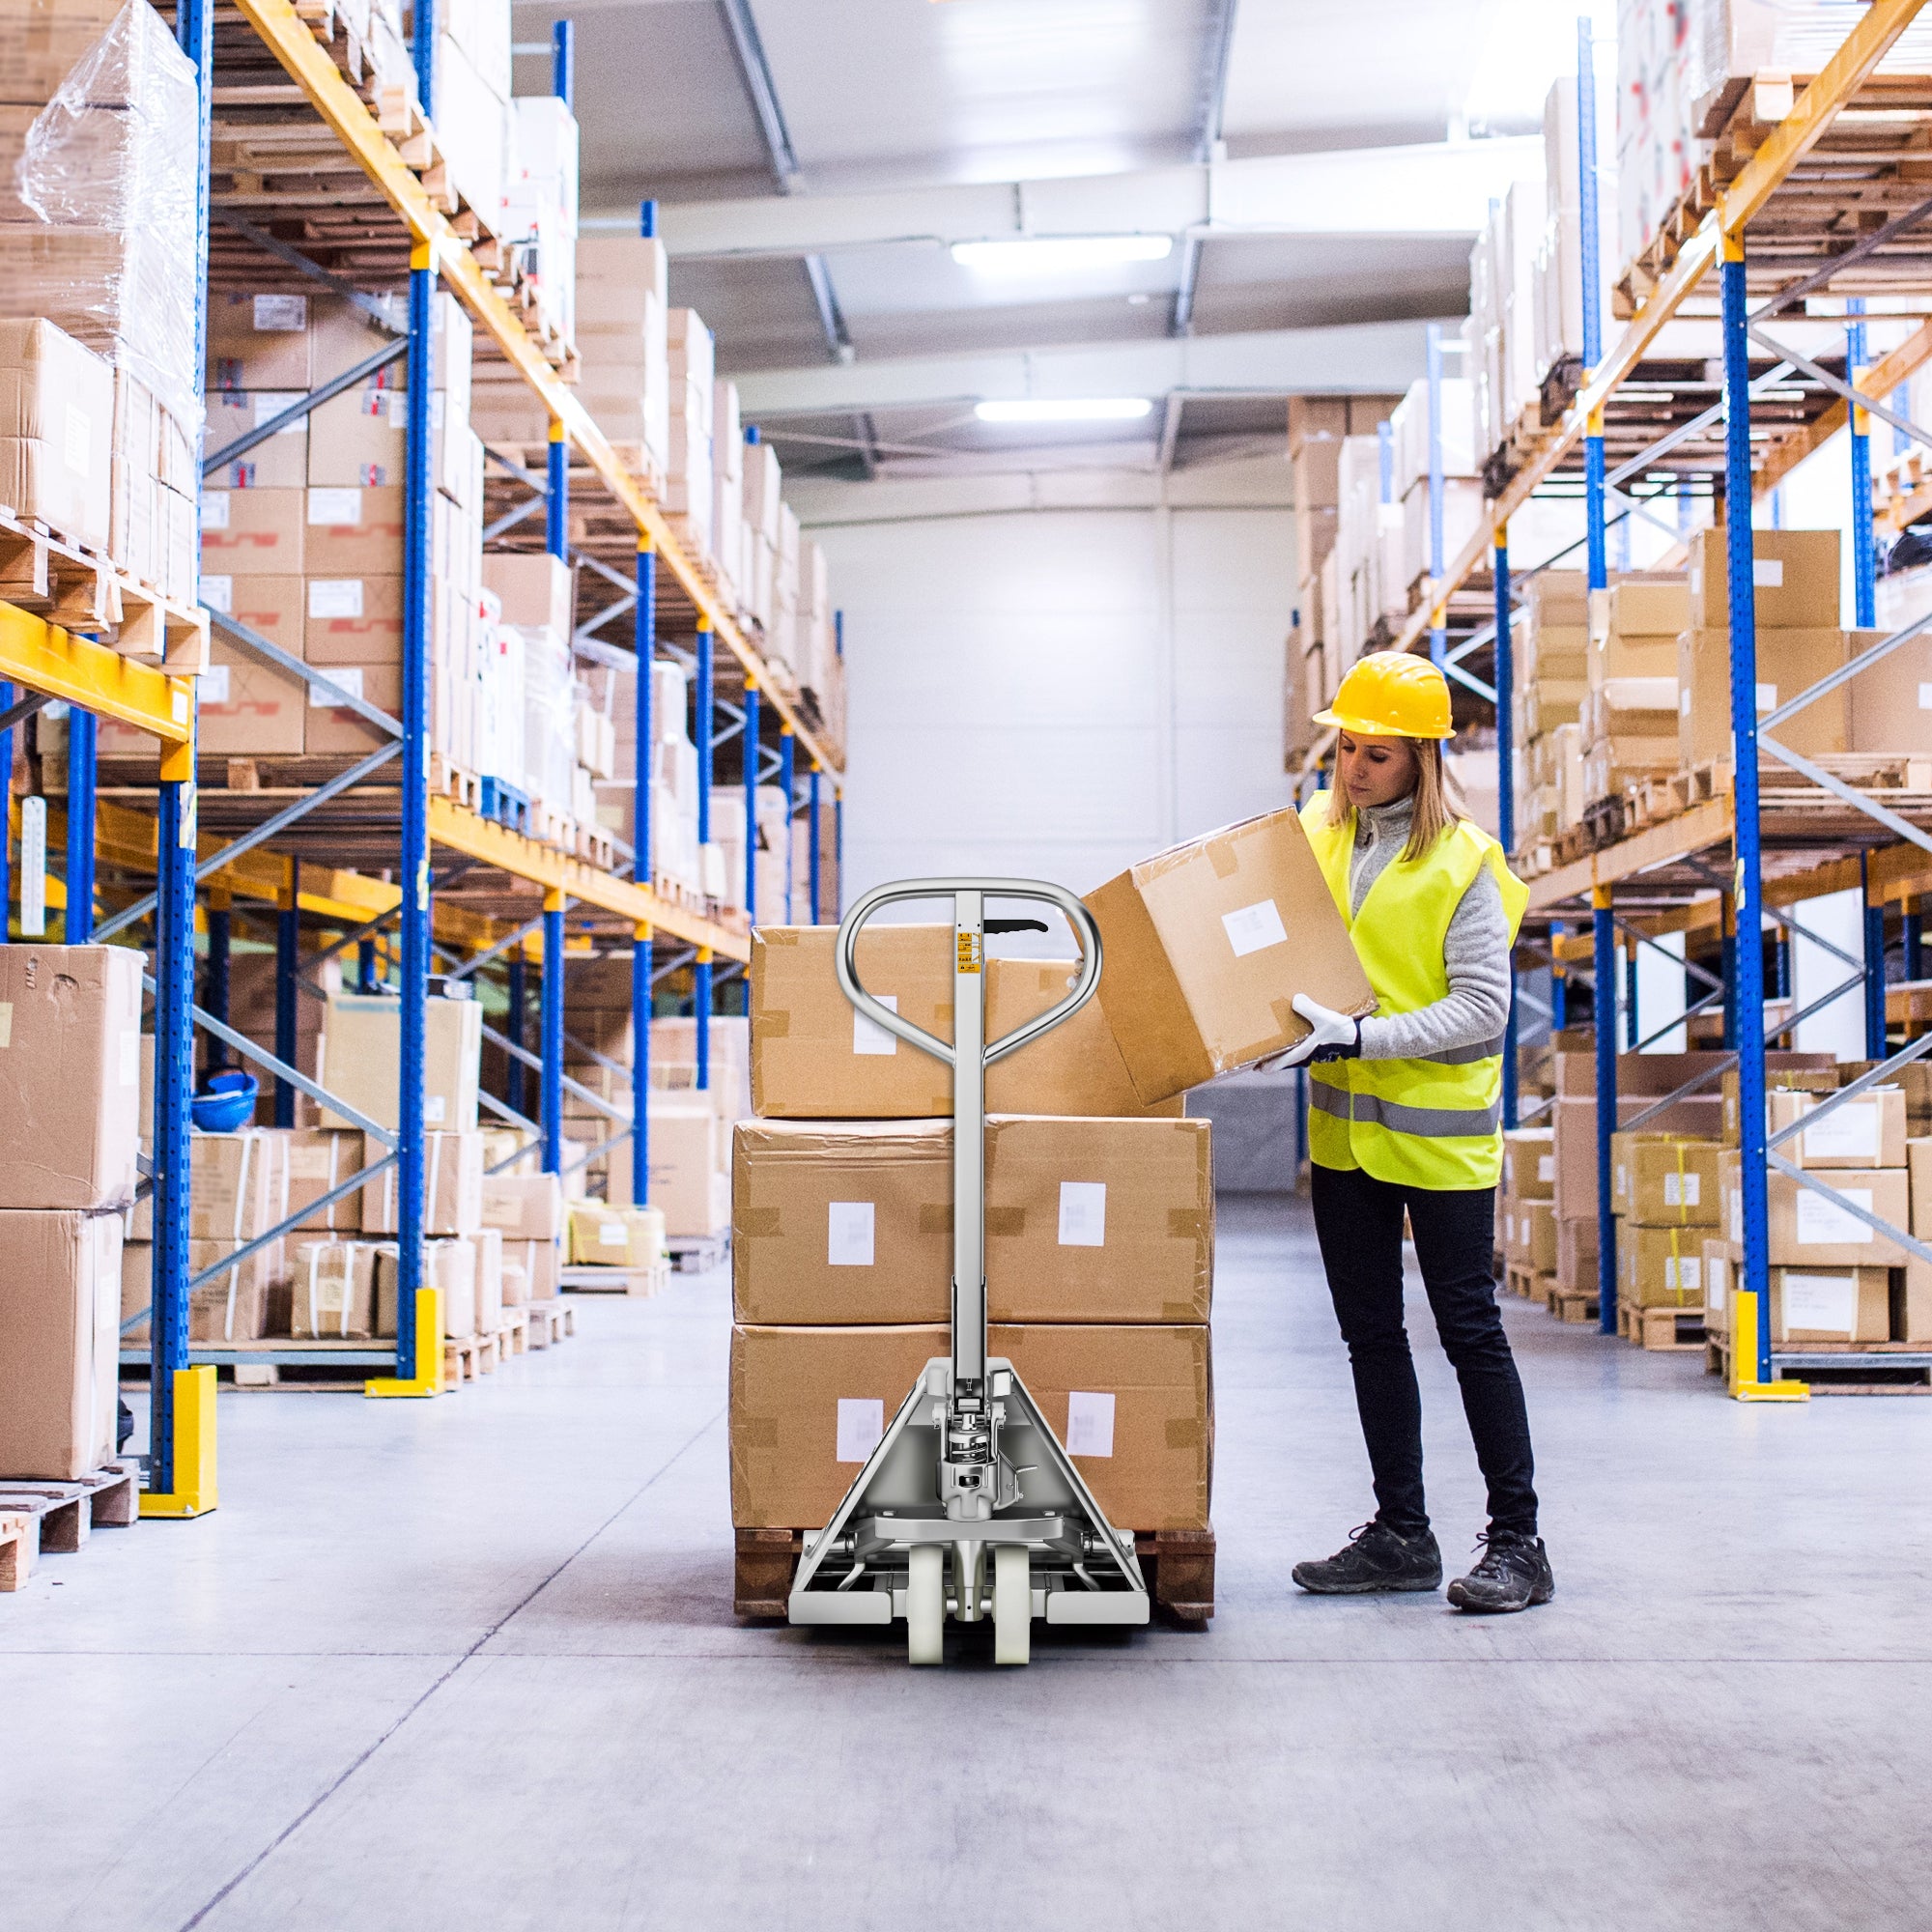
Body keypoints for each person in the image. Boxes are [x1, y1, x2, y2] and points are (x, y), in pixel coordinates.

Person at [1272, 650, 1552, 1614]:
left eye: (1375, 754)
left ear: (1421, 760)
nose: (1351, 769)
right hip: (1344, 1137)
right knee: (1369, 1335)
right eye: (1344, 747)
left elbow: (1481, 1007)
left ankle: (1517, 1541)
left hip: (1437, 1139)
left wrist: (1359, 1034)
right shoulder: (1312, 833)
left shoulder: (1462, 861)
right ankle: (1400, 1532)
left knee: (1470, 1333)